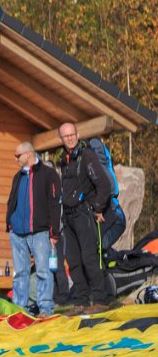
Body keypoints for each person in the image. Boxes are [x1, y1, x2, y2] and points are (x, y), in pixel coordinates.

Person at [58, 122, 114, 315]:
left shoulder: (86, 155)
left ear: (77, 134)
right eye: (66, 136)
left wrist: (98, 208)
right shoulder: (63, 160)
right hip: (68, 216)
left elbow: (104, 185)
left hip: (84, 213)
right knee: (73, 260)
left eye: (72, 134)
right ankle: (80, 302)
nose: (70, 138)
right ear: (62, 139)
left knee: (89, 258)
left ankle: (100, 300)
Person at [6, 142, 61, 316]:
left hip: (40, 231)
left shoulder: (48, 174)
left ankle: (45, 308)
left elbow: (55, 204)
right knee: (20, 272)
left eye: (18, 156)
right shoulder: (18, 177)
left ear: (28, 154)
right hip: (17, 233)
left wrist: (54, 232)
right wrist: (10, 224)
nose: (15, 159)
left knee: (43, 270)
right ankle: (19, 310)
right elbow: (12, 201)